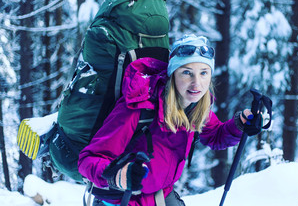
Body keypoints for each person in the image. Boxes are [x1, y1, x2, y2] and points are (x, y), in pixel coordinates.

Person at [78, 34, 262, 206]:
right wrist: (120, 175)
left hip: (160, 194)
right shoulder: (137, 108)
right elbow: (88, 160)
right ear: (173, 74)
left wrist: (240, 125)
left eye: (204, 73)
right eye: (187, 72)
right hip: (122, 200)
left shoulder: (195, 106)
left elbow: (215, 136)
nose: (196, 83)